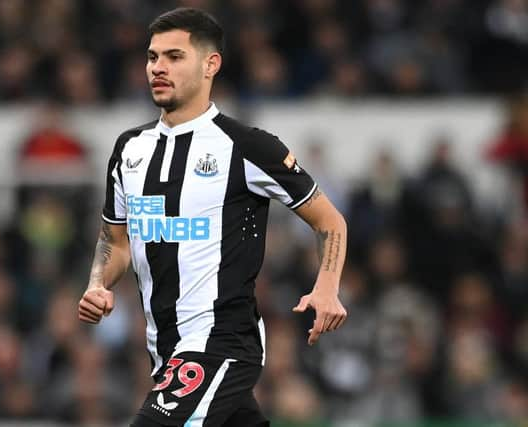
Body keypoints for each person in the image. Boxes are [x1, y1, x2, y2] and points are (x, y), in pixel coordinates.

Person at [78, 8, 348, 427]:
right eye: (152, 57)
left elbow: (330, 221)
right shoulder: (129, 149)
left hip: (220, 344)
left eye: (174, 56)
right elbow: (114, 241)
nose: (158, 68)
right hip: (165, 351)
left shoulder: (248, 147)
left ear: (210, 64)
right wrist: (98, 284)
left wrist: (327, 288)